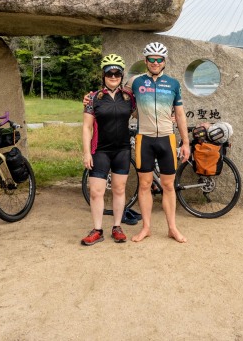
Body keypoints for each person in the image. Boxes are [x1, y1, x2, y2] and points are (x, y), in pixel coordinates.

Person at [128, 41, 190, 243]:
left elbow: (180, 114)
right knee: (145, 185)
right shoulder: (135, 82)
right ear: (146, 61)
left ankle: (172, 228)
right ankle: (146, 228)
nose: (155, 62)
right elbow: (116, 97)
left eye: (159, 59)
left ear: (164, 62)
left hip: (167, 139)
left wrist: (186, 143)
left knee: (168, 185)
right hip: (144, 138)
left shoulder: (173, 84)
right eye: (152, 59)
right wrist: (91, 98)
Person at [80, 54, 135, 246]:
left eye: (117, 72)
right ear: (103, 75)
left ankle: (117, 227)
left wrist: (169, 117)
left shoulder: (129, 97)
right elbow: (87, 127)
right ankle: (97, 230)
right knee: (96, 191)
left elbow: (145, 109)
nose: (113, 76)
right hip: (100, 150)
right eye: (109, 72)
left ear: (121, 75)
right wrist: (87, 152)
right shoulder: (93, 98)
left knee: (119, 189)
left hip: (122, 150)